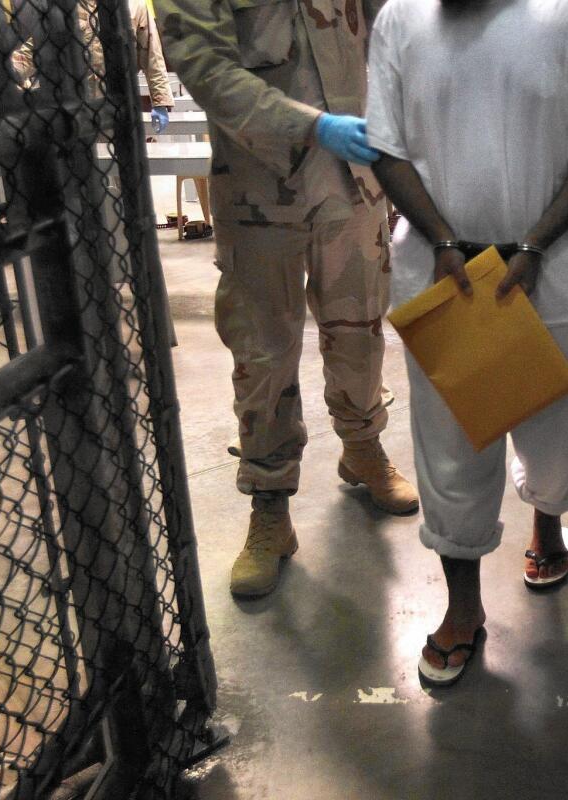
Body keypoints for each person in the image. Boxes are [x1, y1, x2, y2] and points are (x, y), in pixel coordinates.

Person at [367, 0, 568, 685]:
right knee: (452, 447)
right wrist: (439, 238)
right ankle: (464, 607)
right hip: (449, 276)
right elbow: (388, 147)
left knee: (561, 440)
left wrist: (534, 243)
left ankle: (547, 520)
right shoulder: (401, 20)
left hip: (554, 271)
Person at [154, 0, 418, 598]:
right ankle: (269, 503)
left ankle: (361, 446)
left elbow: (390, 27)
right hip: (258, 185)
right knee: (264, 351)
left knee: (360, 326)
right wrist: (311, 125)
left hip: (355, 178)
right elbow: (203, 63)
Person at [10, 0, 174, 135]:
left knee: (122, 164)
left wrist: (160, 101)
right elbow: (34, 51)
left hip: (121, 103)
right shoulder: (65, 10)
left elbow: (152, 56)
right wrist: (6, 72)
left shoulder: (134, 6)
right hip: (80, 108)